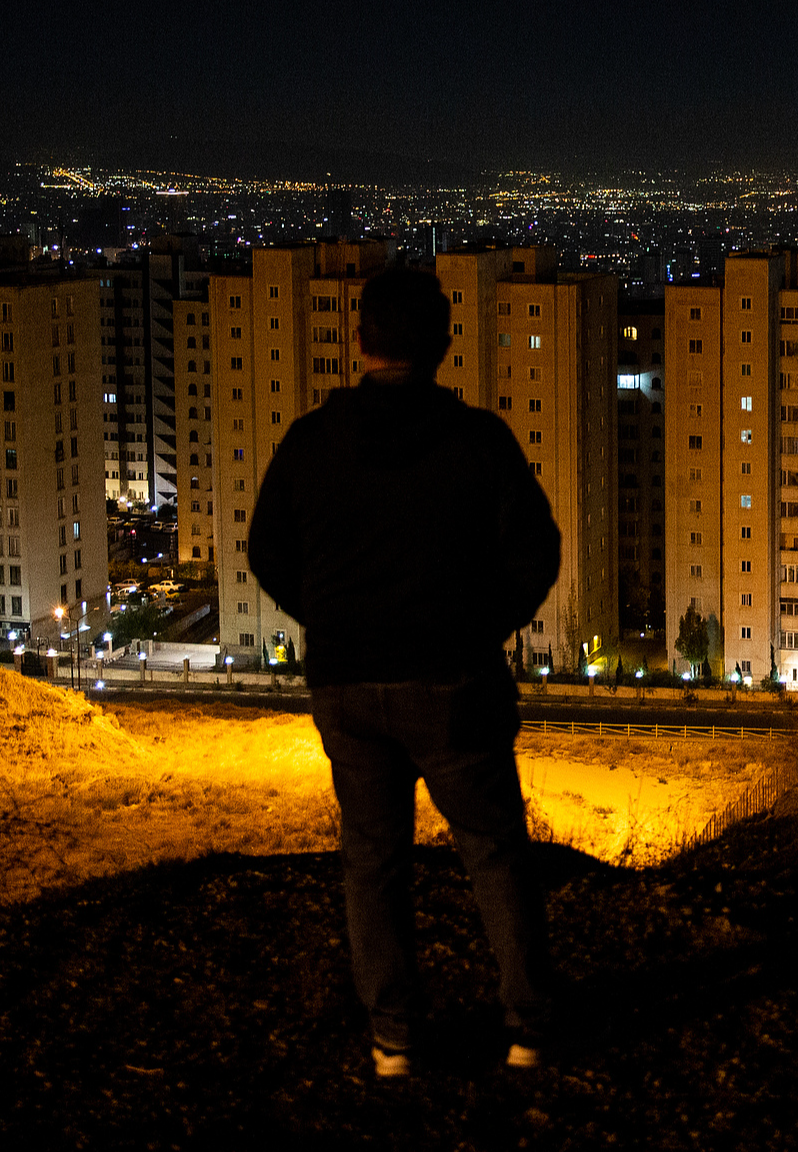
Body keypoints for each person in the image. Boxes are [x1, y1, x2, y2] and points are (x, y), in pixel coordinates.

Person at [248, 264, 561, 1077]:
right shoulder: (477, 441)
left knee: (372, 858)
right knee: (492, 850)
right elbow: (536, 552)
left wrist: (333, 617)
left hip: (347, 681)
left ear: (359, 341)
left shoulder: (312, 442)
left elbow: (267, 551)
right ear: (443, 345)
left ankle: (395, 1041)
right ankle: (529, 1033)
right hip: (452, 679)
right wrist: (476, 626)